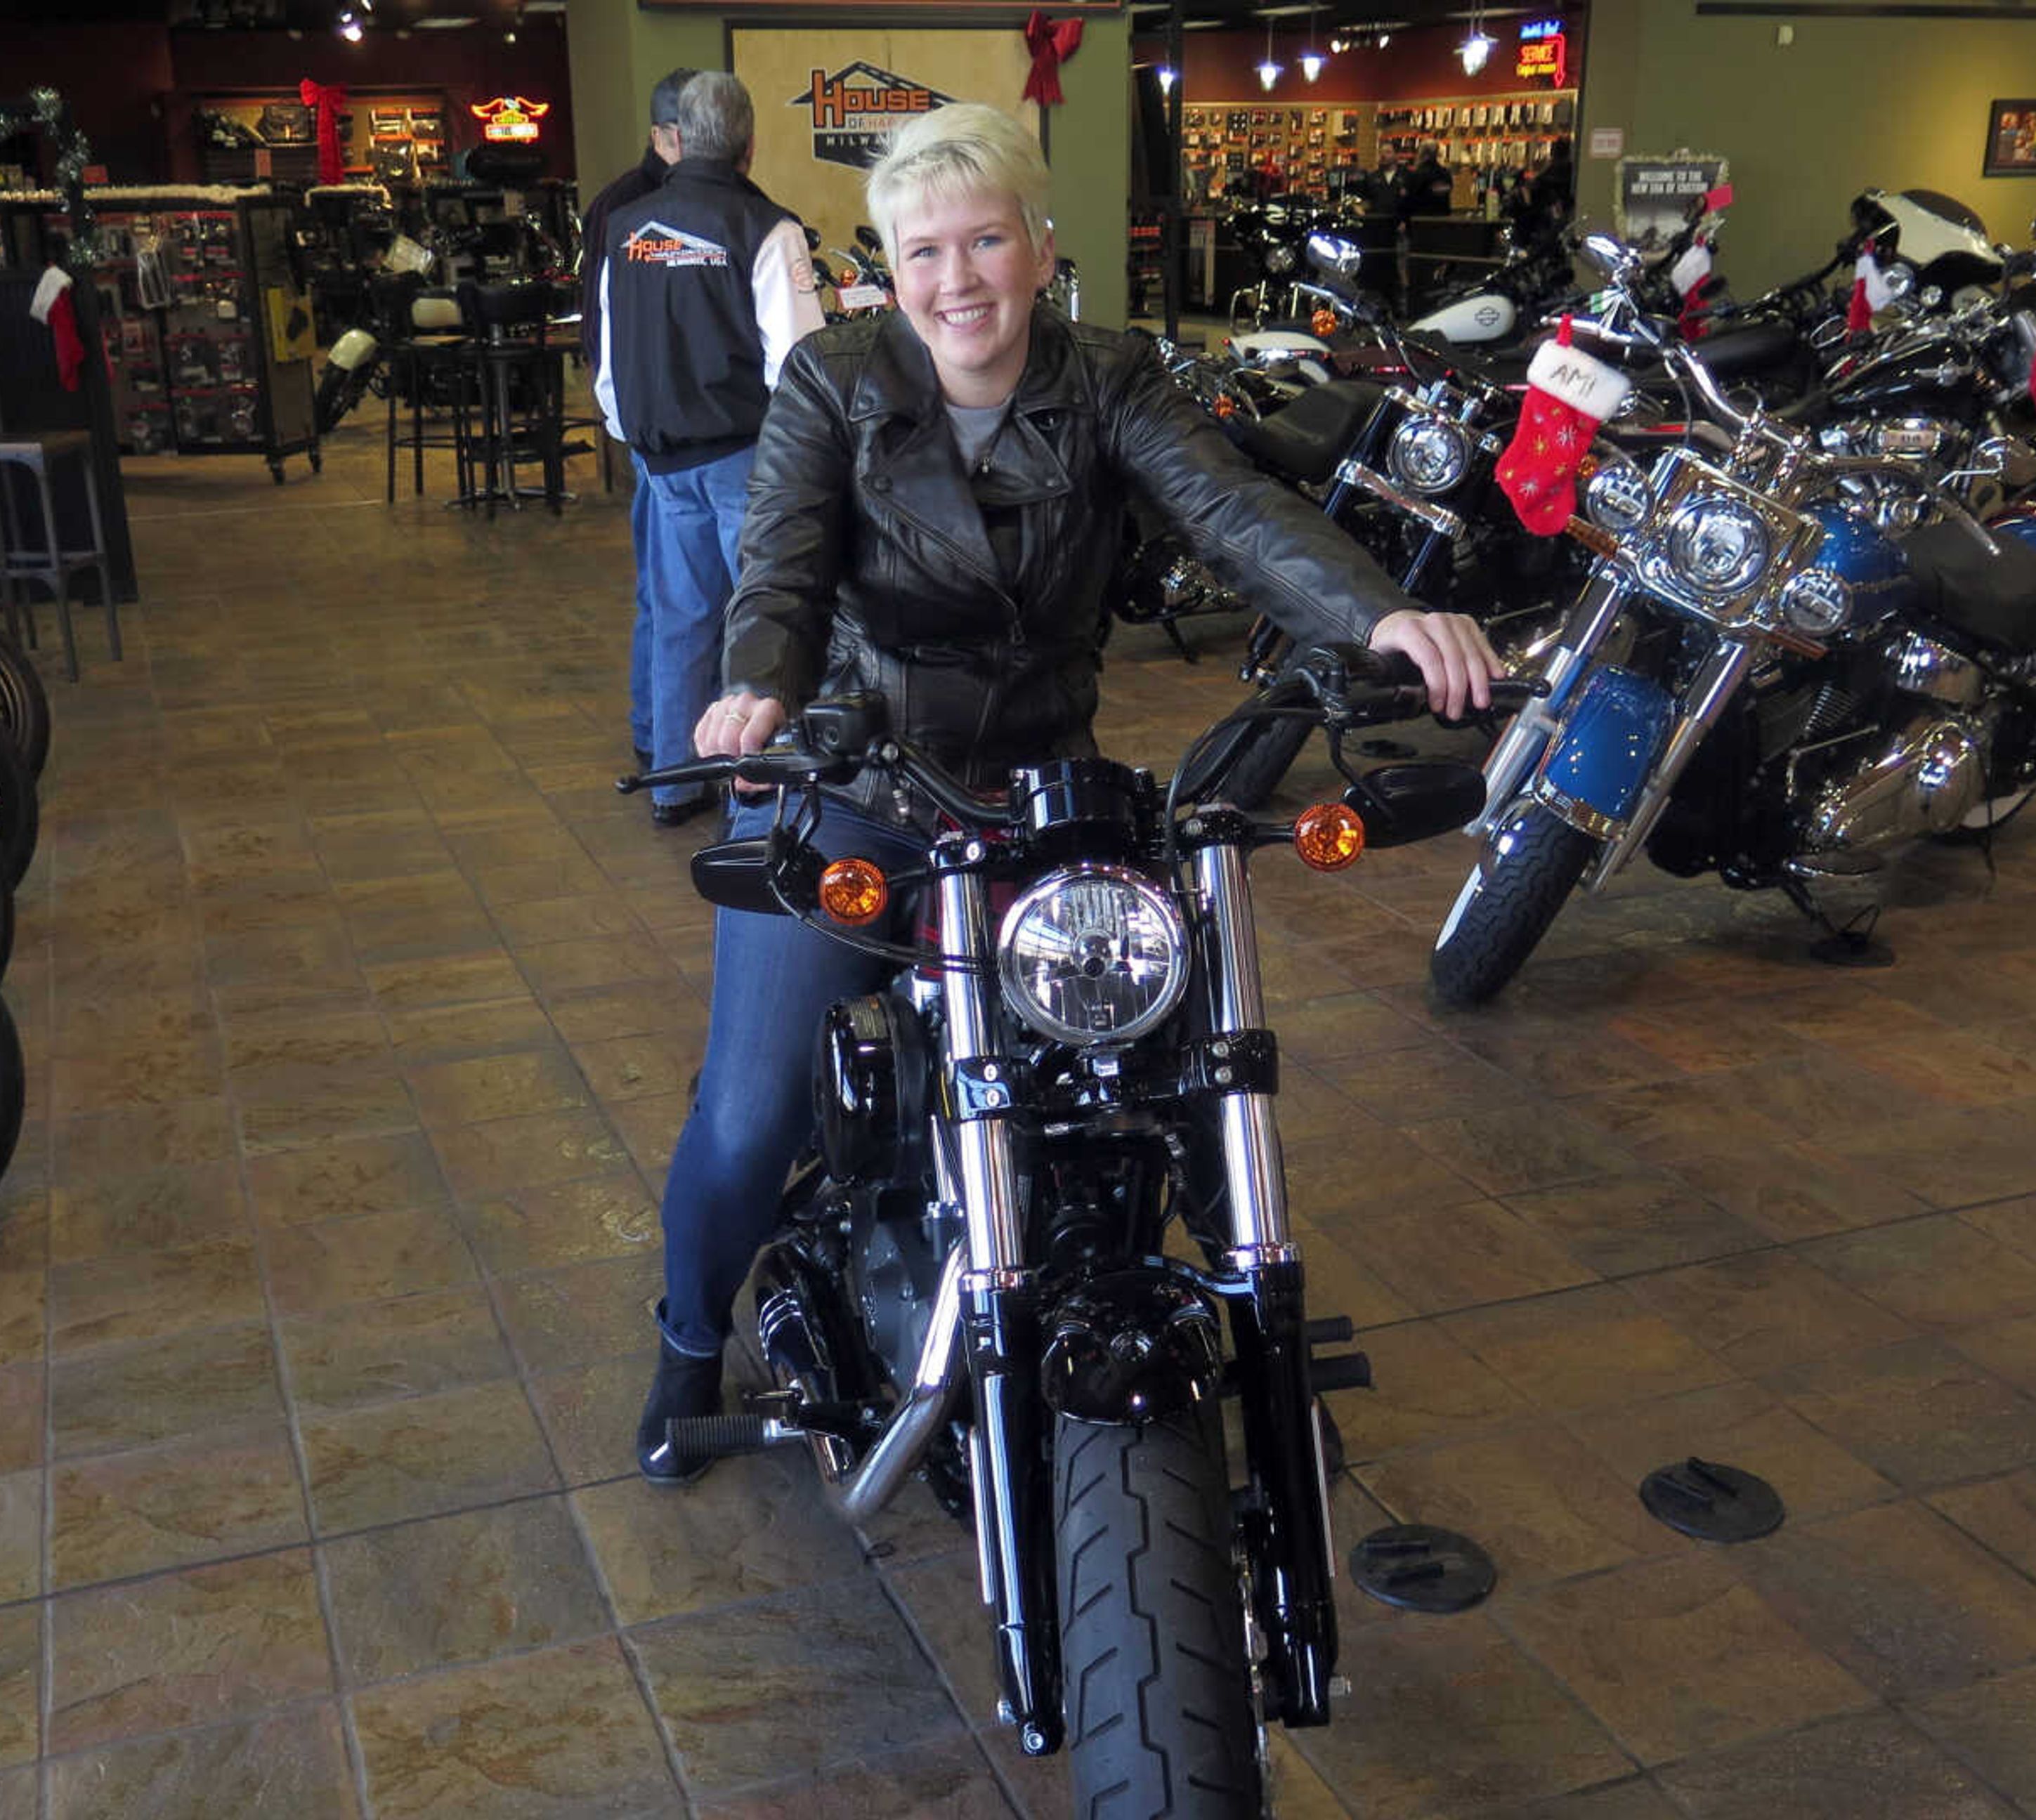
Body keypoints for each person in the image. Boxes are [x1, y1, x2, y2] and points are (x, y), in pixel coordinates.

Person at [631, 101, 1501, 1482]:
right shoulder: (834, 382)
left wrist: (1376, 616)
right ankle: (687, 1341)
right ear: (890, 266)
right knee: (753, 1114)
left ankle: (1251, 1329)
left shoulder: (1112, 379)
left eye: (986, 241)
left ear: (1042, 249)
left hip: (1042, 789)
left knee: (1173, 1057)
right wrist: (759, 690)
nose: (958, 278)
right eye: (926, 251)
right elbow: (783, 570)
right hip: (856, 774)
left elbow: (1230, 512)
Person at [593, 72, 823, 825]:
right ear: (750, 146)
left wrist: (637, 441)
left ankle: (674, 784)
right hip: (746, 461)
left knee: (680, 619)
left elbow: (606, 362)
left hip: (660, 463)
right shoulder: (768, 229)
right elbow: (800, 367)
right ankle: (761, 794)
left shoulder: (624, 229)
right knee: (767, 625)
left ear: (679, 140)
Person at [581, 67, 693, 774]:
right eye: (690, 132)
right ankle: (656, 736)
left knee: (677, 594)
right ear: (661, 134)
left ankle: (665, 735)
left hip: (683, 425)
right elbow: (603, 326)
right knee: (668, 595)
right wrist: (626, 422)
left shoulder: (710, 202)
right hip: (660, 430)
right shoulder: (624, 206)